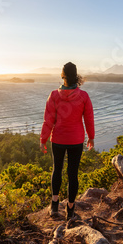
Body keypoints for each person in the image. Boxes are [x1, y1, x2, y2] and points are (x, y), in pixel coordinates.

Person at [40, 62, 95, 220]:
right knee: (73, 174)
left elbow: (48, 121)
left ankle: (55, 206)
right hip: (76, 140)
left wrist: (43, 139)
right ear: (76, 76)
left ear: (63, 76)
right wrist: (91, 137)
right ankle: (70, 209)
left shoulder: (54, 95)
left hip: (58, 139)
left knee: (57, 170)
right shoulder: (83, 96)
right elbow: (89, 119)